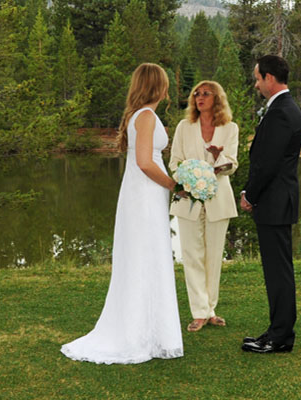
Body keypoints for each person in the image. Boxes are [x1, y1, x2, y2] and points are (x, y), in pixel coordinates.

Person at [61, 63, 184, 364]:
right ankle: (136, 334)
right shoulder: (145, 117)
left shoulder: (142, 116)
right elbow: (144, 161)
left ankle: (153, 332)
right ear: (158, 87)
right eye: (165, 84)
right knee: (144, 257)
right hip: (145, 195)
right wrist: (173, 185)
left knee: (149, 256)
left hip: (145, 195)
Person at [239, 55, 301, 354]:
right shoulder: (284, 108)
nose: (256, 84)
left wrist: (249, 195)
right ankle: (277, 332)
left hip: (274, 202)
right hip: (278, 202)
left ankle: (279, 337)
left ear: (269, 78)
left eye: (257, 78)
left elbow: (267, 165)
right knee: (279, 271)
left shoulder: (281, 112)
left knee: (278, 272)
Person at [169, 80, 239, 332]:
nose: (199, 97)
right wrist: (187, 180)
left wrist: (216, 157)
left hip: (218, 199)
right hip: (187, 200)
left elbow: (232, 164)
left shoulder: (230, 128)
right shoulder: (183, 127)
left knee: (213, 257)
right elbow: (175, 162)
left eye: (206, 94)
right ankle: (199, 312)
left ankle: (211, 310)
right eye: (196, 94)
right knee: (191, 256)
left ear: (217, 98)